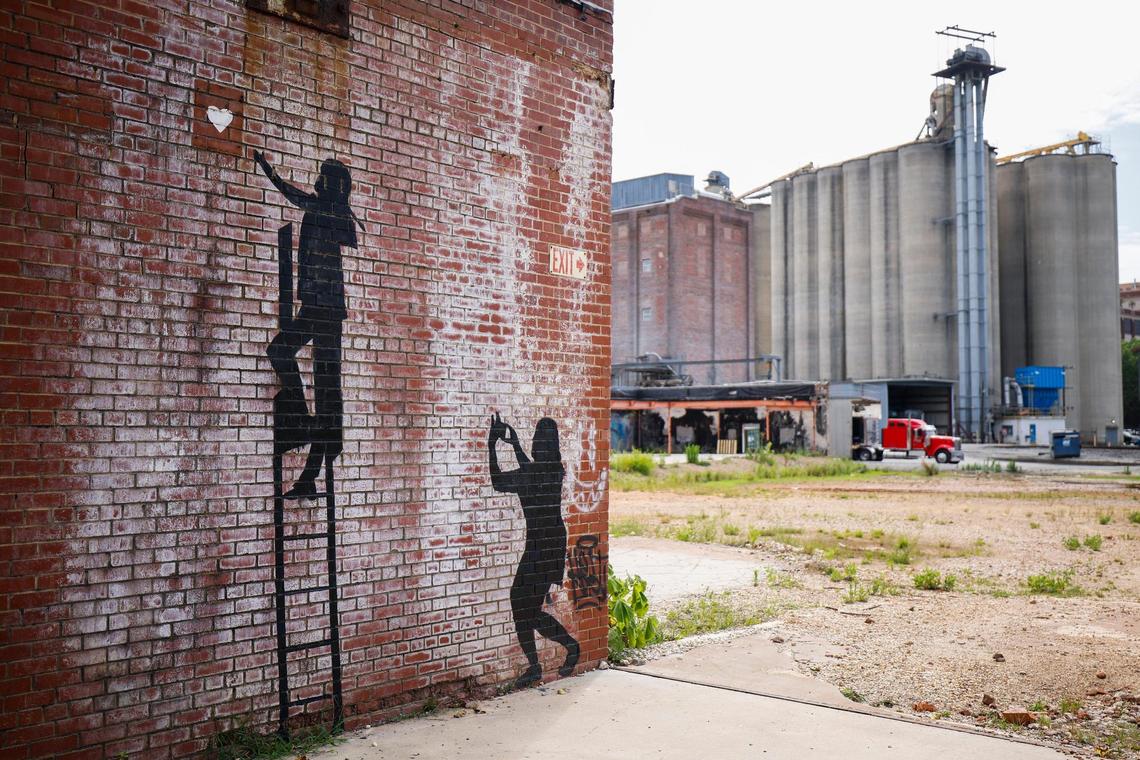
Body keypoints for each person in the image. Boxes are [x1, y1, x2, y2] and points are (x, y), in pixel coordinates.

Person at [255, 150, 362, 499]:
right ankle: (303, 428)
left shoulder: (331, 212)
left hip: (326, 311)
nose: (316, 180)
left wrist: (272, 174)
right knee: (315, 382)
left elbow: (301, 199)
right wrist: (272, 175)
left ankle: (309, 466)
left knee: (325, 391)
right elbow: (300, 198)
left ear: (332, 185)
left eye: (323, 176)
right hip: (318, 308)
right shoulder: (326, 210)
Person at [488, 413, 580, 687]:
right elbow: (530, 471)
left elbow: (498, 481)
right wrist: (514, 445)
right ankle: (554, 656)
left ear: (538, 443)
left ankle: (545, 661)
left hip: (541, 545)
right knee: (526, 606)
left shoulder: (535, 472)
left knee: (521, 603)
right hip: (550, 541)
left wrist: (493, 445)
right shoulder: (555, 469)